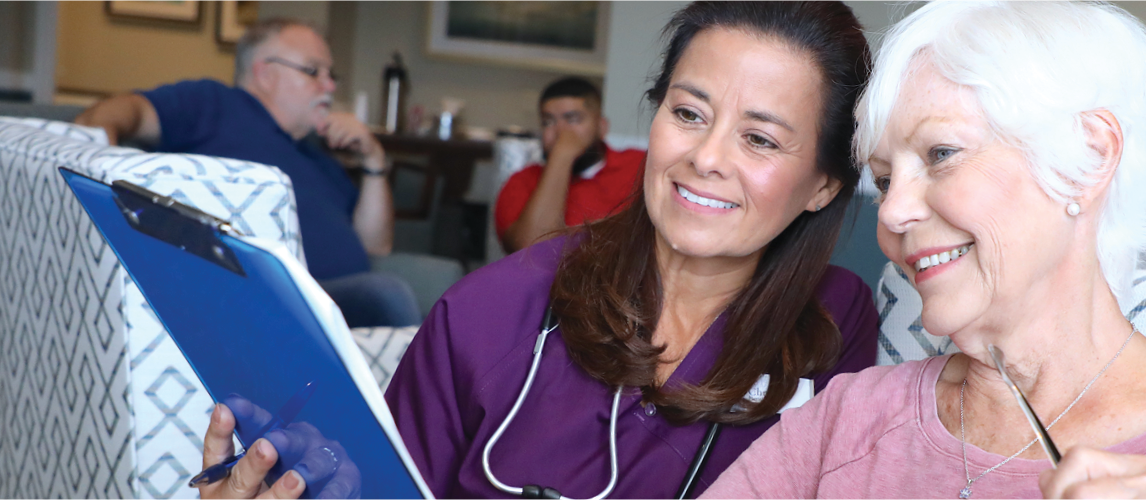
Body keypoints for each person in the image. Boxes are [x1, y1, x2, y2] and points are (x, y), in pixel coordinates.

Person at [194, 0, 877, 498]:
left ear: (822, 183)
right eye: (689, 113)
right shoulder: (491, 312)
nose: (705, 158)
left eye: (759, 138)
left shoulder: (832, 324)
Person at [701, 1, 1146, 499]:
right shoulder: (851, 417)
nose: (893, 212)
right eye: (887, 177)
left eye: (941, 155)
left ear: (1088, 159)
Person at [74, 18, 418, 328]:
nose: (330, 87)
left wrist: (374, 161)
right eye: (315, 72)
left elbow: (377, 247)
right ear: (265, 74)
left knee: (387, 294)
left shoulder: (322, 158)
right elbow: (125, 110)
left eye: (331, 76)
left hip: (342, 304)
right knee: (385, 295)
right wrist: (98, 144)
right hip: (262, 301)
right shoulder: (215, 105)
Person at [494, 77, 646, 253]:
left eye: (573, 119)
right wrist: (562, 157)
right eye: (548, 122)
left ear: (601, 127)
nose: (560, 133)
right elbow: (531, 255)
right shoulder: (521, 183)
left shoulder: (639, 166)